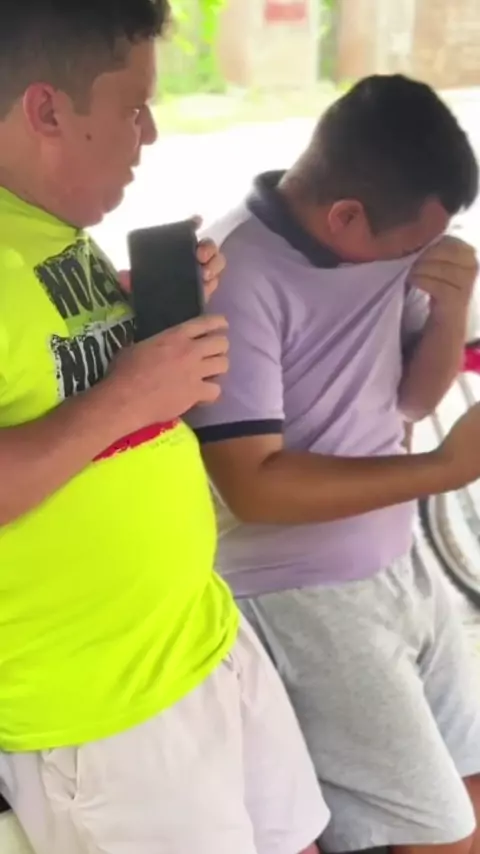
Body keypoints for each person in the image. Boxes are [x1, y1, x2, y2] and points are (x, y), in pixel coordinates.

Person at [0, 2, 330, 853]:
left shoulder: (46, 229)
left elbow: (49, 375)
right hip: (103, 714)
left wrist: (138, 315)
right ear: (47, 110)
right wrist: (131, 393)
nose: (148, 134)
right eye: (133, 107)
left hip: (200, 636)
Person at [187, 75, 480, 854]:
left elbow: (411, 401)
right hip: (304, 597)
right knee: (440, 838)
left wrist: (449, 308)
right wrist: (443, 470)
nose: (422, 257)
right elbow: (254, 487)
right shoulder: (236, 277)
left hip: (398, 560)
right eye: (413, 246)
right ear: (346, 214)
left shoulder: (378, 246)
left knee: (470, 790)